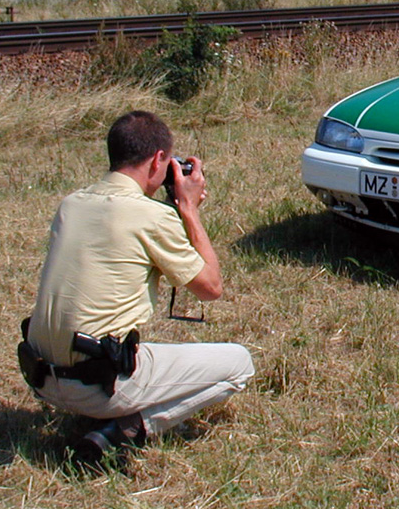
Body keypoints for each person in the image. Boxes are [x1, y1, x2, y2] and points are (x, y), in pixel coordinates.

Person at [19, 110, 254, 464]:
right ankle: (122, 430)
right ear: (160, 159)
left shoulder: (71, 205)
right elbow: (210, 287)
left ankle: (101, 416)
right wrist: (188, 209)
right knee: (240, 363)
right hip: (101, 386)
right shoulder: (151, 216)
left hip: (42, 380)